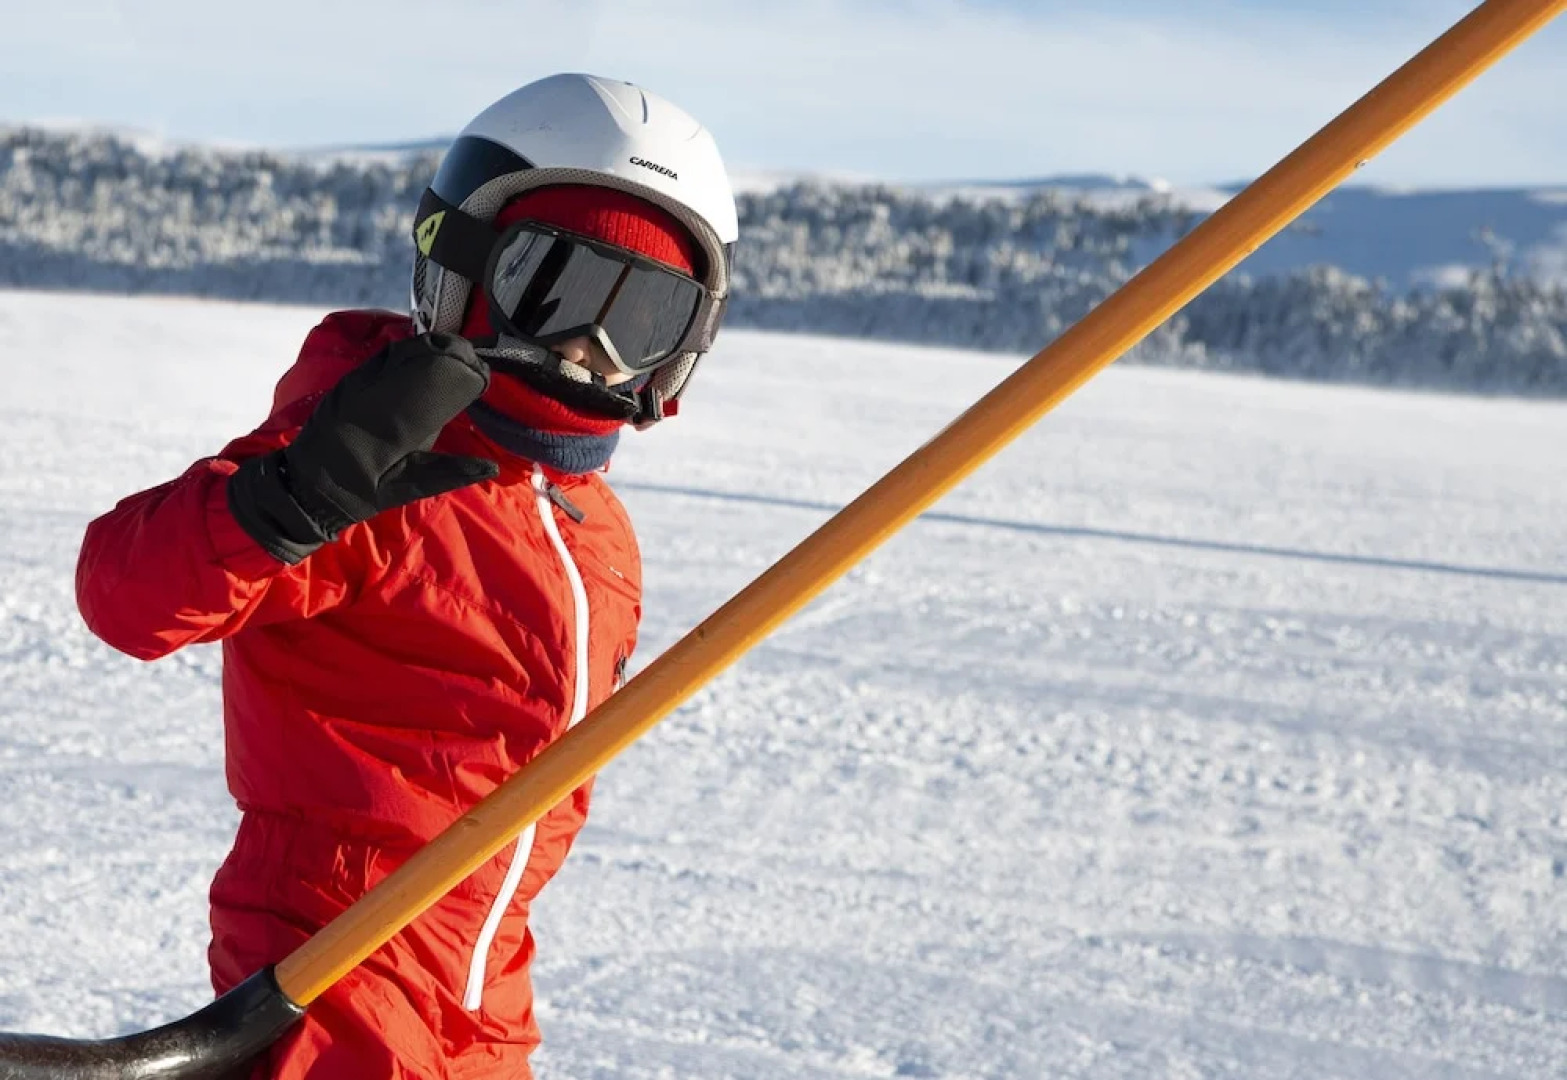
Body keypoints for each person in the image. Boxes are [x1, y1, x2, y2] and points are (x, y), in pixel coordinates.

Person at [74, 72, 739, 1080]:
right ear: (464, 269)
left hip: (486, 970)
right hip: (336, 953)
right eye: (553, 288)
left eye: (639, 317)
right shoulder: (372, 467)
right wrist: (289, 498)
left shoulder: (593, 530)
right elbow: (127, 595)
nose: (588, 349)